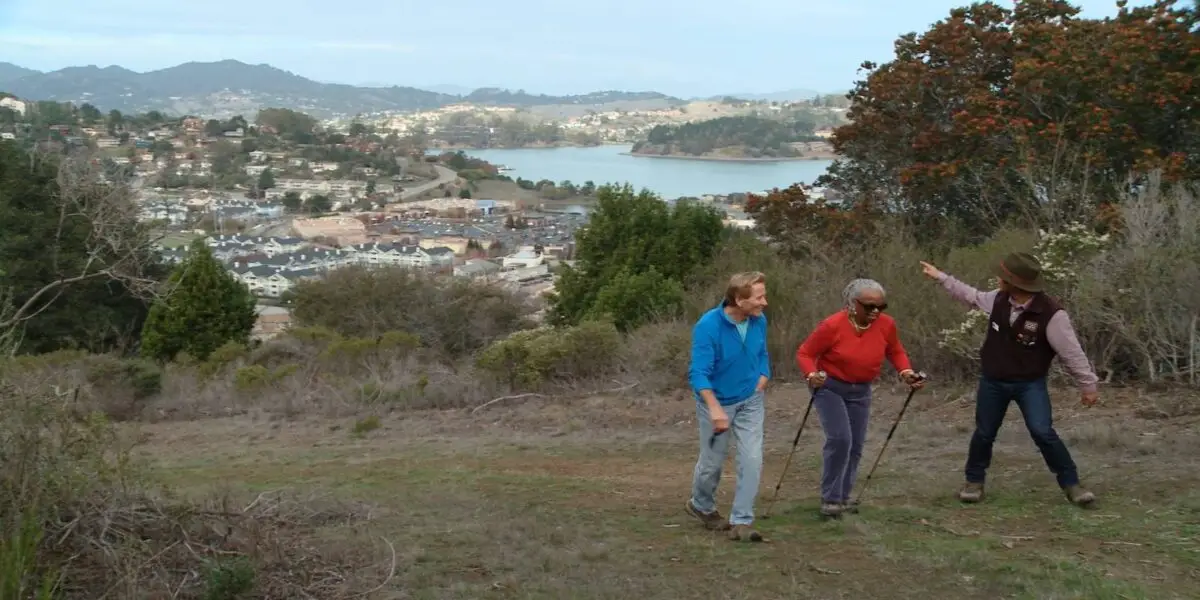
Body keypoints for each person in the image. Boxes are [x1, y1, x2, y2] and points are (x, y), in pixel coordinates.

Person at [920, 252, 1099, 507]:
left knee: (1042, 432)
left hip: (1030, 384)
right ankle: (974, 482)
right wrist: (941, 277)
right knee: (984, 433)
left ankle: (1072, 485)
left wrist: (1087, 384)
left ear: (1016, 282)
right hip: (993, 381)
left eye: (1003, 276)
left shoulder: (1051, 313)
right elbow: (969, 295)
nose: (998, 279)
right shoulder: (998, 299)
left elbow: (1071, 352)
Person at [795, 278, 925, 517]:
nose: (876, 311)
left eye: (881, 306)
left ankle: (843, 496)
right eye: (869, 306)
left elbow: (895, 350)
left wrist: (906, 372)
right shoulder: (832, 325)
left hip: (861, 389)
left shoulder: (886, 325)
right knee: (840, 439)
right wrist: (811, 374)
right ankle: (831, 499)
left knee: (855, 444)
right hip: (830, 387)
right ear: (852, 303)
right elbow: (805, 353)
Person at [685, 271, 771, 542]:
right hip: (716, 403)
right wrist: (715, 408)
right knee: (712, 463)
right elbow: (698, 373)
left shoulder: (759, 321)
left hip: (750, 400)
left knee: (752, 459)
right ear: (738, 299)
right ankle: (701, 505)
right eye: (759, 297)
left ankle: (742, 521)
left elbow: (762, 353)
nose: (764, 302)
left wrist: (763, 376)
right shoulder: (708, 326)